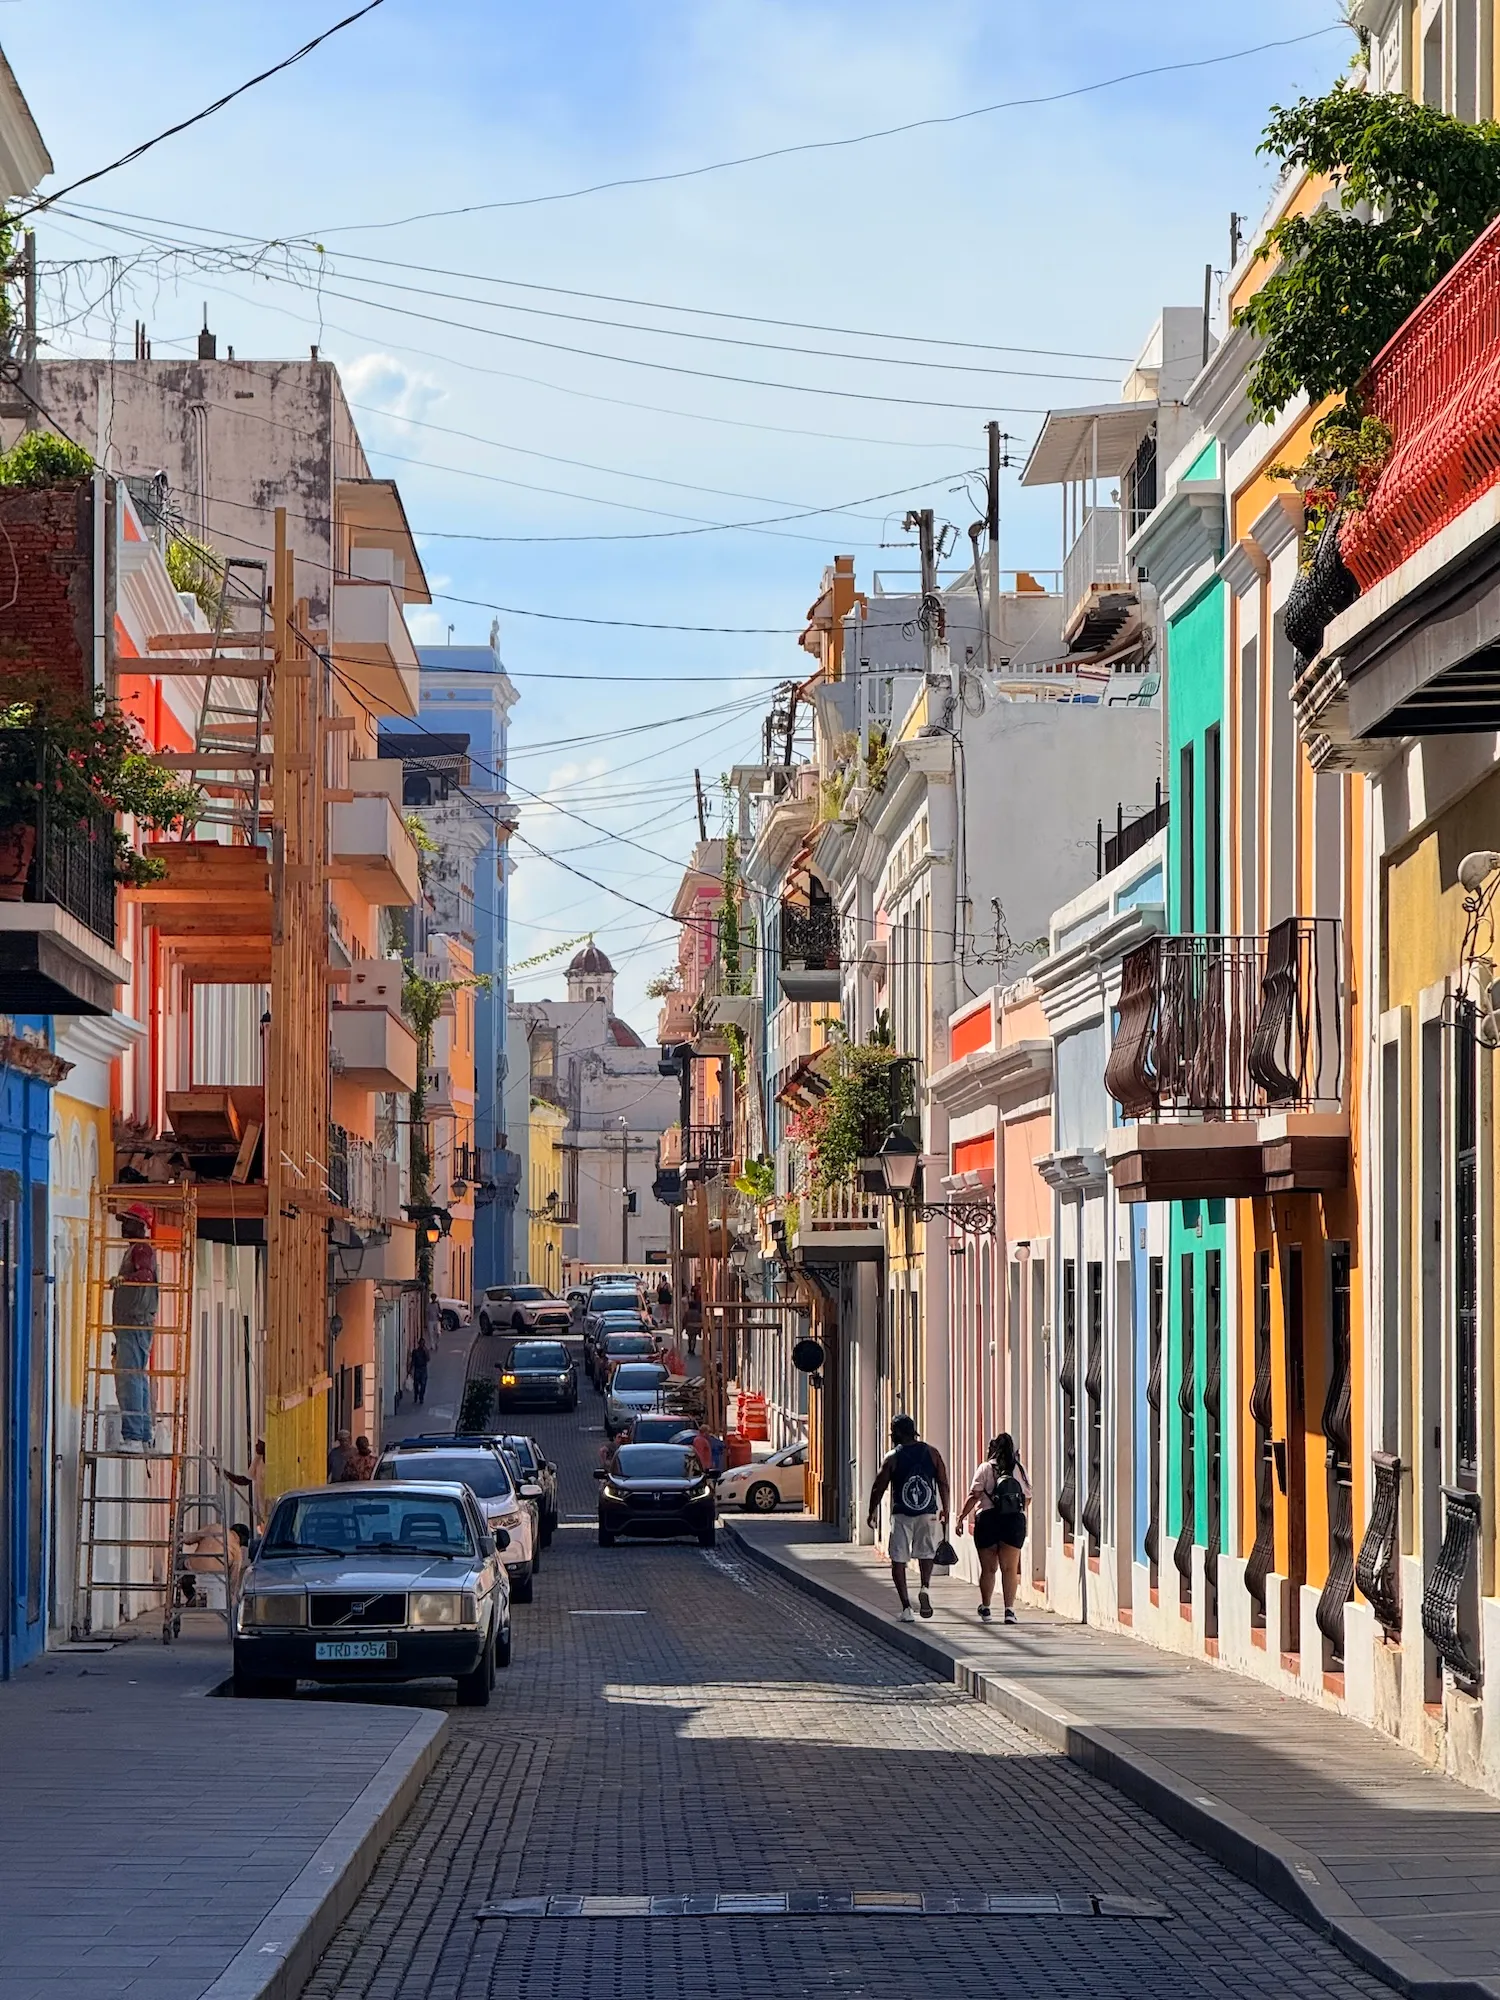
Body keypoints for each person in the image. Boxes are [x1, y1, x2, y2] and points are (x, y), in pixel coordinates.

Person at [867, 1414, 950, 1624]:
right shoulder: (932, 1453)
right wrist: (946, 1508)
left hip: (902, 1514)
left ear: (897, 1433)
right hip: (927, 1512)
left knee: (898, 1559)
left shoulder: (893, 1457)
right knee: (926, 1553)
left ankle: (906, 1607)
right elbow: (943, 1481)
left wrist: (872, 1510)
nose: (891, 1435)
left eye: (892, 1431)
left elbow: (879, 1486)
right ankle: (925, 1586)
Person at [955, 1433, 1031, 1624]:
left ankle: (986, 1608)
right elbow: (1027, 1497)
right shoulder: (1019, 1469)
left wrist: (961, 1517)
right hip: (1013, 1522)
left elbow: (974, 1495)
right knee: (1009, 1569)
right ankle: (1009, 1611)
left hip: (988, 1520)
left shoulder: (985, 1468)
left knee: (988, 1569)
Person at [110, 1204, 160, 1450]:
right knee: (136, 1376)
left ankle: (134, 1435)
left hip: (134, 1322)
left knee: (129, 1377)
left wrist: (124, 1279)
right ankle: (143, 1433)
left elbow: (146, 1275)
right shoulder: (136, 1249)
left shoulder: (141, 1248)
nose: (123, 1226)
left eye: (128, 1222)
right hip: (132, 1323)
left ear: (140, 1226)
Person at [178, 1521, 250, 1606]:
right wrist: (230, 1599)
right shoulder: (237, 1552)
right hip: (216, 1578)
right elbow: (233, 1580)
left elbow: (188, 1539)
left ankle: (190, 1595)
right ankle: (199, 1598)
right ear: (242, 1539)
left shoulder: (214, 1528)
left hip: (193, 1572)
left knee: (182, 1562)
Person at [224, 1438, 268, 1531]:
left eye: (260, 1443)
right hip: (263, 1512)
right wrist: (226, 1474)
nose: (256, 1446)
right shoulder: (258, 1460)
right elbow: (245, 1480)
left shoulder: (274, 1463)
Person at [408, 1335, 430, 1407]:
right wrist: (410, 1370)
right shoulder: (415, 1352)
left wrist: (425, 1351)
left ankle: (421, 1397)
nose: (421, 1345)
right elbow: (413, 1361)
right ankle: (416, 1395)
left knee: (423, 1384)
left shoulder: (425, 1351)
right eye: (421, 1343)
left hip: (423, 1369)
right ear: (419, 1344)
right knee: (416, 1384)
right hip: (417, 1369)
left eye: (423, 1344)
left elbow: (428, 1359)